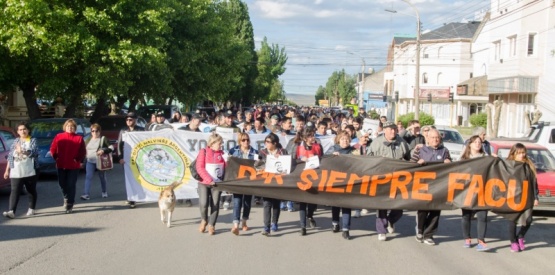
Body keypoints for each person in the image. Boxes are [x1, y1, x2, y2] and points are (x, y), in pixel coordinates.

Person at [367, 121, 411, 241]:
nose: (393, 131)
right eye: (390, 129)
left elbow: (410, 157)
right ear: (384, 130)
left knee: (399, 207)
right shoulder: (376, 143)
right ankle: (381, 230)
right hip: (382, 179)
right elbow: (368, 159)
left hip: (399, 180)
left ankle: (391, 220)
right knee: (382, 205)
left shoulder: (402, 142)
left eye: (394, 129)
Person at [411, 128, 451, 246]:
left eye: (437, 137)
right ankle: (420, 231)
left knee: (435, 210)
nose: (435, 140)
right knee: (423, 209)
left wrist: (449, 162)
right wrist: (418, 163)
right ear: (427, 138)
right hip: (423, 184)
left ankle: (429, 234)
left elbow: (451, 168)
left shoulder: (444, 151)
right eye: (433, 137)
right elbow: (411, 165)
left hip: (439, 185)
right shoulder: (420, 150)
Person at [506, 143, 539, 252]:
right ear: (513, 153)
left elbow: (534, 182)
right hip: (512, 196)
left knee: (528, 220)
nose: (521, 155)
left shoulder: (529, 165)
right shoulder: (508, 164)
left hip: (527, 196)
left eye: (523, 153)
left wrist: (536, 197)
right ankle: (513, 242)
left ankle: (520, 236)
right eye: (519, 153)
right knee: (513, 220)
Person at [459, 135, 490, 251]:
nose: (478, 144)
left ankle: (481, 241)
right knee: (466, 216)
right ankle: (467, 238)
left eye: (479, 142)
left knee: (482, 216)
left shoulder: (486, 158)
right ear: (470, 144)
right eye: (475, 142)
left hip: (482, 191)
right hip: (467, 191)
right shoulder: (464, 158)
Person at [2, 122, 39, 219]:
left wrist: (22, 151)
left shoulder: (32, 140)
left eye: (24, 129)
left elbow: (34, 153)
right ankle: (11, 211)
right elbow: (10, 156)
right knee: (14, 190)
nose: (23, 131)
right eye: (20, 129)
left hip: (30, 169)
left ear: (28, 130)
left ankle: (31, 208)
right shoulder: (15, 141)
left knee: (30, 190)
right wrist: (7, 170)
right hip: (16, 170)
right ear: (17, 132)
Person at [50, 119, 86, 214]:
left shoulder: (79, 138)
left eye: (72, 127)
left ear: (75, 128)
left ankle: (70, 203)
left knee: (71, 184)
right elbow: (53, 148)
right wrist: (56, 157)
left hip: (73, 165)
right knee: (62, 183)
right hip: (61, 164)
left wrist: (77, 159)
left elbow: (82, 151)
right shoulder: (59, 136)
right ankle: (66, 197)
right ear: (65, 127)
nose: (70, 128)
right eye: (68, 126)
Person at [257, 133, 288, 236]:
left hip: (278, 181)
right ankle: (266, 227)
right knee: (266, 204)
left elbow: (288, 165)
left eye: (268, 142)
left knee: (276, 203)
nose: (266, 144)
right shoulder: (262, 152)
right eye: (265, 141)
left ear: (275, 143)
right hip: (266, 181)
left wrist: (280, 158)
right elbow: (257, 165)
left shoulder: (282, 151)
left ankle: (274, 222)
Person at [228, 133, 258, 235]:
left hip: (250, 180)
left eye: (247, 140)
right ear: (239, 141)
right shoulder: (233, 151)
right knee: (237, 202)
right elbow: (229, 165)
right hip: (238, 180)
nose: (246, 142)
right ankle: (236, 225)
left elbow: (258, 165)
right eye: (243, 140)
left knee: (247, 202)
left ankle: (244, 221)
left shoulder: (254, 152)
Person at [196, 133, 226, 235]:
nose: (221, 145)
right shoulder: (203, 152)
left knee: (215, 203)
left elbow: (227, 168)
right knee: (203, 203)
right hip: (204, 183)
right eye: (219, 143)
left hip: (217, 184)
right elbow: (200, 168)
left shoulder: (223, 154)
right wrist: (209, 179)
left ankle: (212, 225)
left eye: (221, 143)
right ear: (212, 143)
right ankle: (204, 219)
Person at [295, 127, 322, 236]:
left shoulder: (317, 146)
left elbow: (322, 159)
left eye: (313, 135)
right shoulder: (298, 147)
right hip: (302, 177)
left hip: (314, 177)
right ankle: (303, 226)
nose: (312, 138)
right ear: (305, 138)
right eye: (310, 136)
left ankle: (310, 215)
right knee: (302, 202)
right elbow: (293, 160)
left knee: (312, 202)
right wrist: (300, 160)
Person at [117, 112, 145, 208]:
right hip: (127, 159)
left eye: (131, 119)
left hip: (138, 158)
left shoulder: (141, 130)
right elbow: (119, 145)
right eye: (127, 120)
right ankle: (131, 198)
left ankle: (140, 195)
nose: (128, 121)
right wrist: (120, 158)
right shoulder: (123, 130)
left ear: (135, 120)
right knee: (129, 178)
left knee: (138, 178)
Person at [330, 131, 355, 240]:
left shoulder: (354, 152)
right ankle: (335, 223)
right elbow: (324, 161)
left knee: (346, 205)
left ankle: (346, 229)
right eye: (342, 139)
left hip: (349, 181)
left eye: (347, 139)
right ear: (338, 140)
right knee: (335, 204)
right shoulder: (332, 150)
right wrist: (332, 157)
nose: (345, 141)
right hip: (335, 181)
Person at [80, 123, 113, 200]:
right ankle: (86, 194)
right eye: (93, 131)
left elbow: (111, 147)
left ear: (99, 131)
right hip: (90, 161)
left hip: (100, 161)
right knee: (88, 177)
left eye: (96, 131)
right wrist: (82, 161)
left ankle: (104, 191)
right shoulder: (88, 139)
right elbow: (83, 150)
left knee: (102, 177)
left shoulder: (103, 139)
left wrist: (103, 150)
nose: (94, 133)